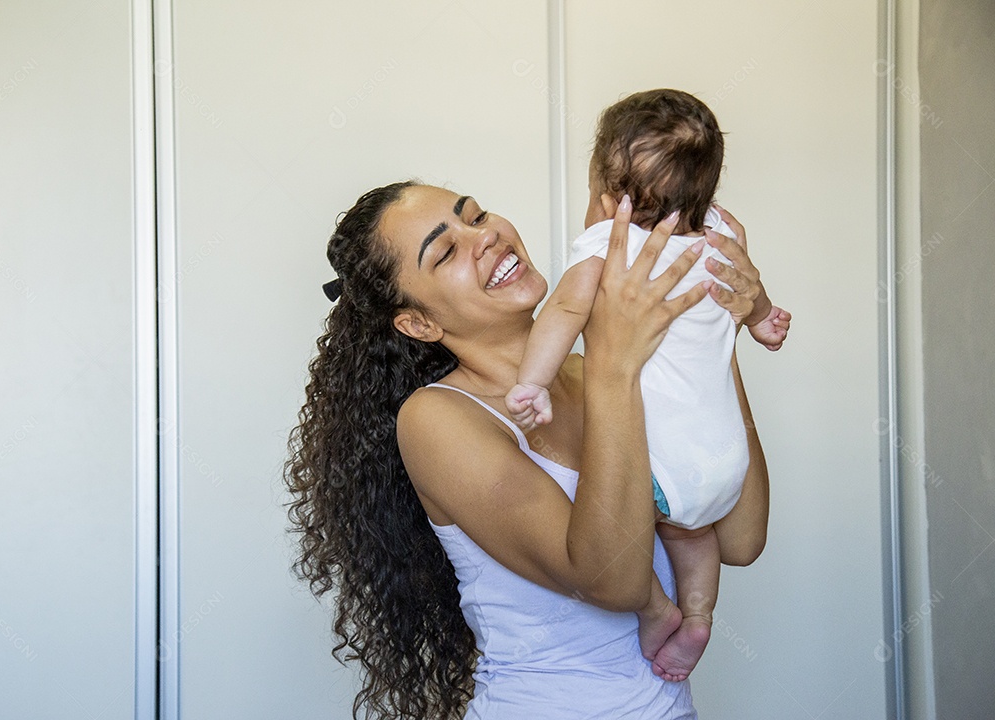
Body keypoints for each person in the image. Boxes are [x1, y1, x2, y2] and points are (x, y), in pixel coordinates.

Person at [285, 179, 771, 719]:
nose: (484, 237)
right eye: (446, 252)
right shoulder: (436, 419)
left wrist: (714, 325)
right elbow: (612, 580)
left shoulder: (603, 374)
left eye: (476, 215)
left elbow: (741, 537)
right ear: (419, 323)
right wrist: (615, 355)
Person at [504, 89, 790, 682]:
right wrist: (761, 318)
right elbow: (749, 294)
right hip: (724, 460)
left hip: (666, 468)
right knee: (698, 531)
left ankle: (666, 612)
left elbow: (561, 314)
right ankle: (701, 615)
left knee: (656, 519)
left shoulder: (609, 246)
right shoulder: (716, 238)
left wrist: (532, 382)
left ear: (612, 200)